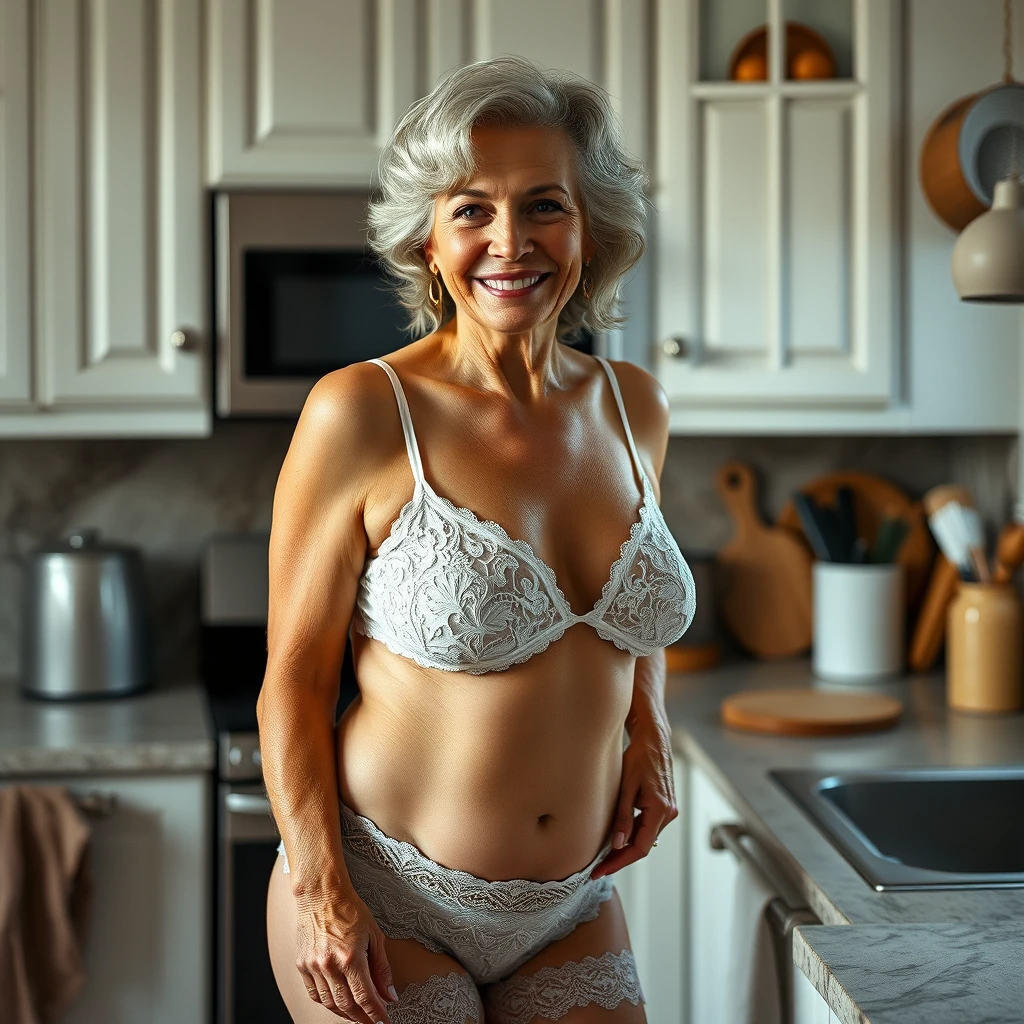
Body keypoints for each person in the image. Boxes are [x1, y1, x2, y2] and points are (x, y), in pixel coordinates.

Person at [259, 53, 696, 1024]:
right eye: (471, 210)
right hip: (384, 895)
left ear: (590, 230)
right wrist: (323, 894)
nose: (511, 241)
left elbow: (633, 620)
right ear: (427, 242)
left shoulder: (635, 407)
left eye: (545, 204)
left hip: (570, 903)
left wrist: (651, 734)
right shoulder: (363, 412)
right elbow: (291, 677)